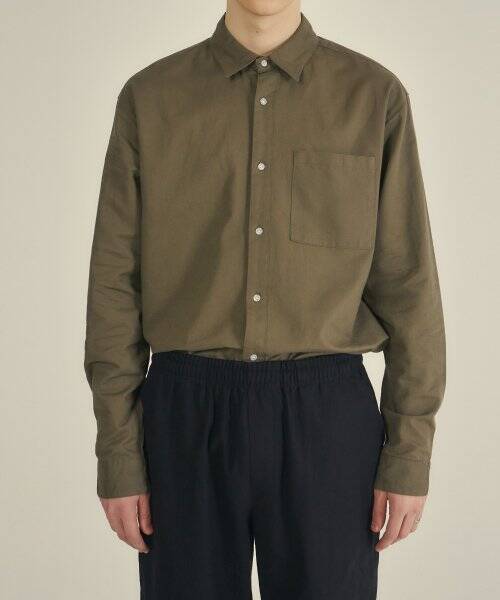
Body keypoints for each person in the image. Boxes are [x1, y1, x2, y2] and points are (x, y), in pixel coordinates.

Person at [84, 0, 446, 598]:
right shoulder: (150, 98)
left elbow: (410, 284)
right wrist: (119, 454)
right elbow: (115, 283)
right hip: (185, 412)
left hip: (326, 414)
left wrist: (409, 453)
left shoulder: (373, 96)